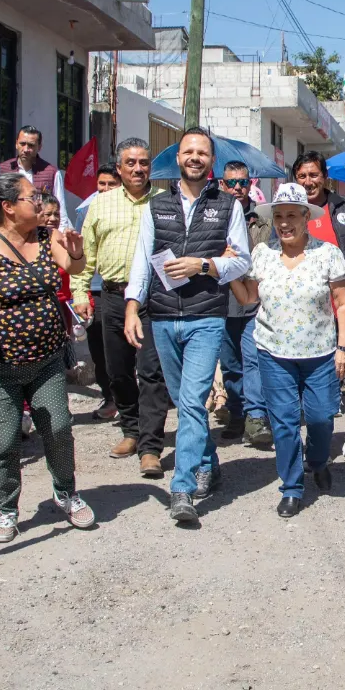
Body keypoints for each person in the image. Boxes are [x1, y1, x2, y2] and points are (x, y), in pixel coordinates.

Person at [0, 173, 93, 544]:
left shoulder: (49, 238)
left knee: (59, 427)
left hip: (46, 359)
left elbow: (74, 268)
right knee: (4, 440)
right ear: (8, 207)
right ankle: (5, 509)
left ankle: (66, 492)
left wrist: (77, 250)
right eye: (33, 197)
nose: (40, 201)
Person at [125, 128, 250, 525]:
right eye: (188, 151)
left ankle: (182, 489)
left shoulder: (227, 205)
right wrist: (132, 306)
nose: (195, 158)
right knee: (186, 402)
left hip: (206, 316)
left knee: (193, 403)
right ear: (177, 158)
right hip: (162, 318)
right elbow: (143, 263)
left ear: (212, 162)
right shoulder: (156, 206)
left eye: (202, 153)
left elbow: (242, 261)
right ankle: (208, 463)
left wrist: (206, 265)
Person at [229, 183, 345, 516]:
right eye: (279, 216)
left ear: (305, 217)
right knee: (283, 422)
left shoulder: (327, 253)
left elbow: (342, 303)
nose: (284, 223)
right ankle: (292, 487)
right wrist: (227, 273)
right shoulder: (262, 254)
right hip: (273, 353)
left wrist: (343, 347)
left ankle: (316, 460)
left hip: (321, 354)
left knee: (321, 416)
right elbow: (249, 299)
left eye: (291, 215)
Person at [72, 139, 168, 476]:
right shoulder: (101, 204)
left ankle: (151, 446)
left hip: (153, 300)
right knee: (118, 371)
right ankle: (131, 429)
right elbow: (87, 254)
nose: (138, 169)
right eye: (131, 163)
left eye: (144, 162)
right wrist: (80, 291)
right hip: (111, 297)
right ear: (119, 167)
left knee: (152, 371)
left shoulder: (164, 203)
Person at [291, 150, 345, 458]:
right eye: (302, 176)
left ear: (324, 177)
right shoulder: (290, 211)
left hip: (342, 302)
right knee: (306, 372)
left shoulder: (344, 208)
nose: (308, 181)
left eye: (314, 174)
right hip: (303, 308)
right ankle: (309, 433)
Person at [218, 160, 273, 446]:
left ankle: (256, 417)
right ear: (222, 185)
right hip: (222, 301)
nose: (238, 187)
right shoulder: (213, 216)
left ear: (251, 184)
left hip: (254, 299)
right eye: (232, 183)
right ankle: (237, 412)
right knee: (230, 363)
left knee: (253, 358)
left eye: (243, 182)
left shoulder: (264, 218)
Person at [73, 164, 121, 420]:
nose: (104, 190)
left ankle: (129, 398)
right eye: (101, 184)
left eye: (110, 185)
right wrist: (80, 293)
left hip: (124, 287)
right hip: (96, 288)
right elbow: (80, 253)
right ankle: (110, 396)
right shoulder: (85, 210)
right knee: (99, 346)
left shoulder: (131, 210)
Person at [0, 125, 71, 231]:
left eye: (31, 145)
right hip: (9, 232)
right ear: (16, 144)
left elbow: (61, 210)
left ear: (39, 147)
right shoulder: (3, 169)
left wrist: (60, 236)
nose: (26, 149)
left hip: (40, 233)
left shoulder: (51, 173)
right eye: (22, 144)